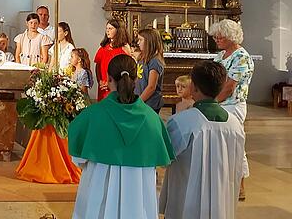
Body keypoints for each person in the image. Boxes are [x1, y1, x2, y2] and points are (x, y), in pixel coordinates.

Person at [68, 54, 175, 219]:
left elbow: (78, 158)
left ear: (109, 79)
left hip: (99, 192)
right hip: (138, 199)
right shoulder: (152, 119)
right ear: (137, 80)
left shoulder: (93, 115)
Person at [159, 61, 245, 219]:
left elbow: (164, 158)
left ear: (193, 87)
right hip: (221, 202)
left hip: (186, 202)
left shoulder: (182, 121)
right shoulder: (235, 125)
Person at [209, 19, 254, 200]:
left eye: (221, 35)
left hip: (232, 105)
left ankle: (240, 186)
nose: (217, 38)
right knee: (219, 146)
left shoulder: (241, 56)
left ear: (231, 36)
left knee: (235, 145)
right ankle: (222, 183)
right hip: (218, 104)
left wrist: (211, 102)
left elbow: (229, 86)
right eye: (216, 35)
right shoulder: (221, 56)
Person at [93, 19, 132, 101]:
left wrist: (111, 84)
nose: (107, 31)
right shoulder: (103, 48)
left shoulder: (124, 48)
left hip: (117, 86)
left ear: (118, 30)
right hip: (103, 87)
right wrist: (99, 80)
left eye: (110, 29)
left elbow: (128, 68)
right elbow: (98, 66)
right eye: (107, 28)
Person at [135, 28, 165, 113]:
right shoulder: (142, 58)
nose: (138, 43)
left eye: (140, 40)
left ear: (149, 42)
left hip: (150, 103)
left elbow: (151, 87)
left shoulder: (154, 61)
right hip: (141, 100)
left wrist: (139, 101)